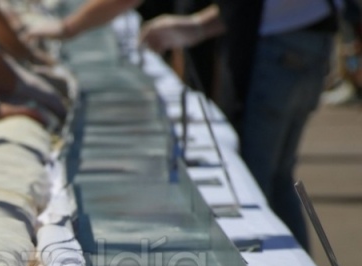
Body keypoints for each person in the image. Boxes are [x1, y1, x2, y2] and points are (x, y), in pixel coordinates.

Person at [141, 1, 338, 250]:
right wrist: (196, 27)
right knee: (279, 178)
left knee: (253, 182)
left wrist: (74, 28)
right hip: (313, 41)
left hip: (276, 49)